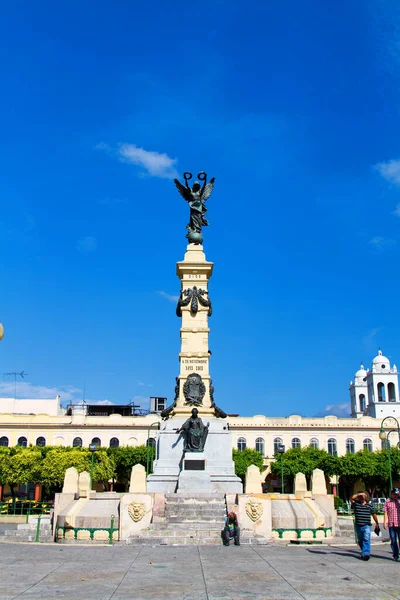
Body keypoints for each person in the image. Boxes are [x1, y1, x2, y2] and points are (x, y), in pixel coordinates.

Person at [350, 492, 379, 561]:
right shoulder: (356, 504)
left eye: (363, 496)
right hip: (358, 525)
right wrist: (358, 494)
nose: (361, 497)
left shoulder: (369, 505)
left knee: (366, 539)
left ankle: (366, 554)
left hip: (366, 525)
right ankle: (364, 551)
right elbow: (351, 498)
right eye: (360, 496)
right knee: (360, 540)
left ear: (366, 497)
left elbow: (373, 514)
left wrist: (377, 523)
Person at [383, 489, 400, 561]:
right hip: (391, 523)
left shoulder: (399, 502)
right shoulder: (387, 502)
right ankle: (395, 554)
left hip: (399, 523)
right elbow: (385, 512)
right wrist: (385, 522)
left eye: (397, 494)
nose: (395, 496)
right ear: (391, 494)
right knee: (393, 540)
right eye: (394, 494)